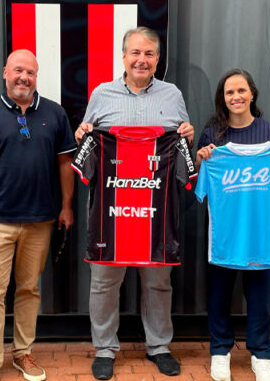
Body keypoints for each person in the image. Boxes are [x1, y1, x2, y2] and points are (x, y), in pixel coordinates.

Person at [74, 26, 195, 380]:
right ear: (123, 56)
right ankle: (105, 348)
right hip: (110, 215)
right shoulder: (101, 93)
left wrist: (185, 133)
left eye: (149, 54)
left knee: (159, 282)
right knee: (103, 283)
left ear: (158, 59)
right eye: (136, 53)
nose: (142, 60)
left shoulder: (172, 95)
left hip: (156, 214)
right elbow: (87, 139)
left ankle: (159, 346)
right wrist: (84, 133)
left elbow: (182, 142)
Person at [0, 49, 76, 381]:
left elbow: (65, 164)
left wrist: (66, 206)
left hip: (41, 220)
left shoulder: (54, 113)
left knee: (28, 290)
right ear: (5, 73)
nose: (24, 77)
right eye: (18, 71)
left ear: (37, 77)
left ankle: (22, 354)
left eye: (31, 72)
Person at [195, 69, 270, 381]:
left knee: (259, 294)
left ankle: (261, 353)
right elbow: (197, 184)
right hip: (224, 234)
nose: (236, 97)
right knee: (218, 293)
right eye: (229, 92)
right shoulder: (212, 135)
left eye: (241, 90)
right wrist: (202, 160)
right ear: (223, 98)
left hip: (262, 234)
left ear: (252, 93)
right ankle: (219, 350)